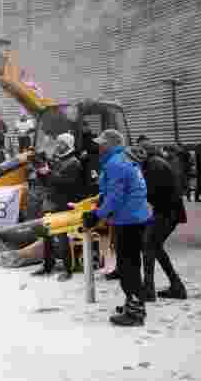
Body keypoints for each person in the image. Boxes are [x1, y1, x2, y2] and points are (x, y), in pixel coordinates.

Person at [82, 129, 151, 327]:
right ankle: (134, 304)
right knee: (131, 264)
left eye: (102, 143)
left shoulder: (115, 163)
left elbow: (115, 197)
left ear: (110, 144)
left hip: (128, 219)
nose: (99, 146)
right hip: (136, 216)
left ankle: (135, 312)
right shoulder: (123, 159)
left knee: (127, 266)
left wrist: (97, 215)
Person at [129, 144, 189, 300]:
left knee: (149, 245)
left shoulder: (155, 165)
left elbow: (151, 191)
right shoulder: (153, 163)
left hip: (167, 212)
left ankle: (149, 290)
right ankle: (176, 286)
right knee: (154, 247)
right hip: (166, 211)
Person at [31, 133, 82, 281]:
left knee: (62, 237)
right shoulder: (58, 160)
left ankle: (67, 269)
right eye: (58, 143)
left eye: (61, 143)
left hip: (63, 204)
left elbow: (67, 183)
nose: (58, 145)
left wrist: (49, 173)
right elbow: (48, 181)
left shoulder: (74, 163)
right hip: (51, 202)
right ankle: (47, 265)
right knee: (46, 234)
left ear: (68, 145)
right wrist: (41, 172)